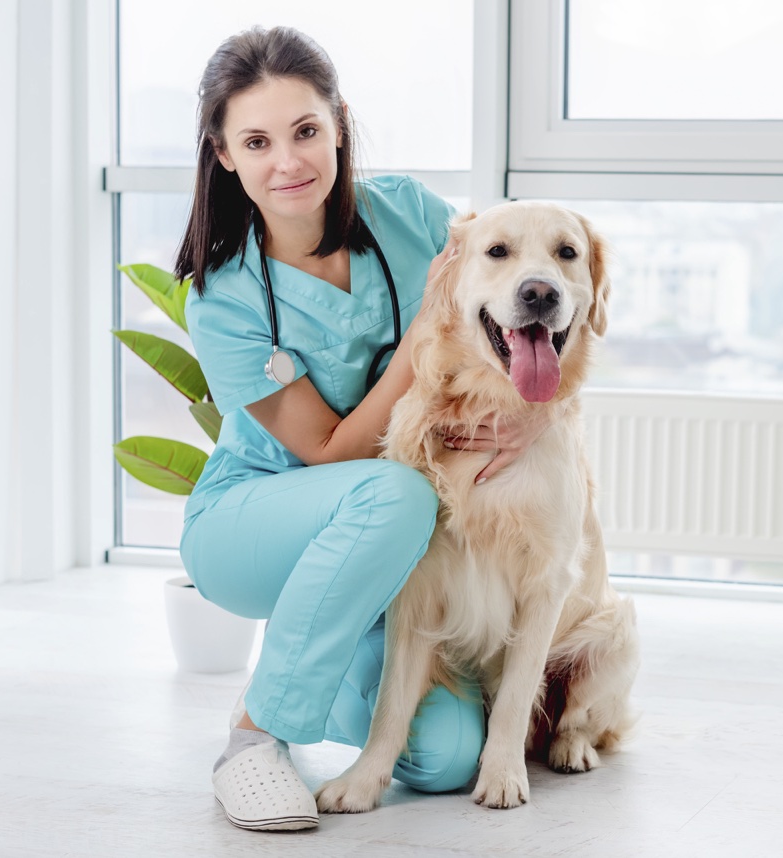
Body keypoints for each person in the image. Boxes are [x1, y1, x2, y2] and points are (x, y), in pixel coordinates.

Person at [176, 26, 546, 832]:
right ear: (225, 153)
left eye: (307, 130)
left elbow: (505, 303)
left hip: (386, 540)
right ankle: (251, 739)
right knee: (396, 492)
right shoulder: (225, 296)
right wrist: (419, 342)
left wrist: (527, 419)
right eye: (258, 140)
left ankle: (307, 648)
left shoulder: (411, 216)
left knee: (443, 759)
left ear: (339, 123)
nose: (290, 162)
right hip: (256, 520)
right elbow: (329, 450)